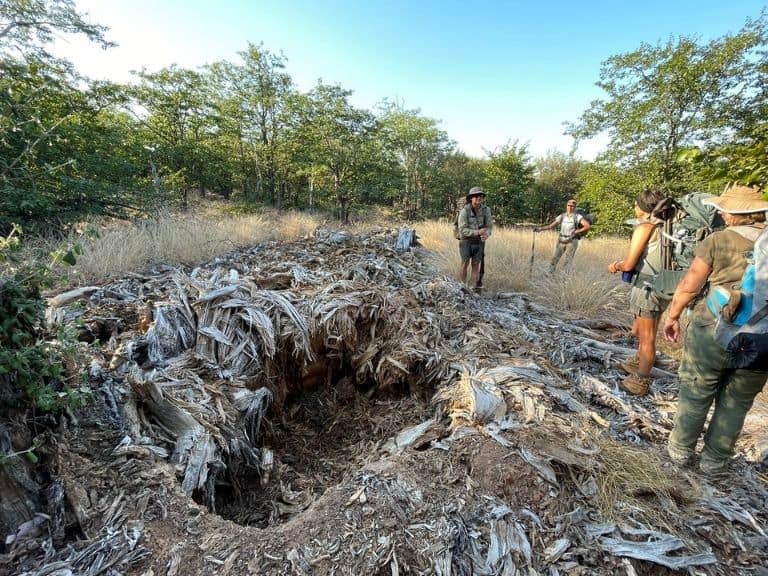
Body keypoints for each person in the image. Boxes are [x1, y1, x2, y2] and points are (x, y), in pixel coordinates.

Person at [662, 183, 768, 476]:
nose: (720, 213)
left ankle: (680, 452)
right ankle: (715, 461)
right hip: (762, 336)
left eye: (724, 209)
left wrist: (672, 316)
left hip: (715, 326)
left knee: (697, 388)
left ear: (735, 214)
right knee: (737, 401)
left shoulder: (719, 240)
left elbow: (690, 284)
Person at [607, 189, 669, 395]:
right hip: (662, 283)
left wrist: (616, 264)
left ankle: (640, 381)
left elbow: (630, 263)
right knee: (648, 331)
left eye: (635, 204)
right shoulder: (666, 226)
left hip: (646, 286)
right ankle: (637, 362)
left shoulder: (645, 227)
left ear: (642, 208)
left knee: (647, 337)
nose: (634, 208)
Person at [535, 199, 591, 272]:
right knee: (555, 258)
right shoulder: (562, 216)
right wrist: (540, 229)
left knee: (568, 261)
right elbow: (551, 226)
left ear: (575, 207)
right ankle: (549, 274)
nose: (570, 207)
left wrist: (578, 231)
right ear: (566, 206)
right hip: (561, 241)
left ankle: (564, 278)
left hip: (572, 241)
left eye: (572, 206)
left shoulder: (578, 217)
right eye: (569, 205)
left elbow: (587, 226)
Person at [458, 186, 493, 293]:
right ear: (471, 198)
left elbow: (489, 227)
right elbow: (462, 229)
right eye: (476, 196)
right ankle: (462, 287)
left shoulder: (486, 210)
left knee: (476, 264)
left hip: (479, 242)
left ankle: (473, 289)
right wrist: (477, 232)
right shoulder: (465, 211)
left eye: (481, 196)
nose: (479, 198)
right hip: (466, 241)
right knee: (464, 264)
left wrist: (486, 234)